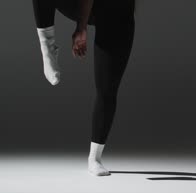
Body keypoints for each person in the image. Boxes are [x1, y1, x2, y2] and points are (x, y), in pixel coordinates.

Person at [32, 0, 136, 176]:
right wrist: (81, 28)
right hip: (86, 4)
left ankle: (94, 158)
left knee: (107, 90)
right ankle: (47, 45)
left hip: (117, 14)